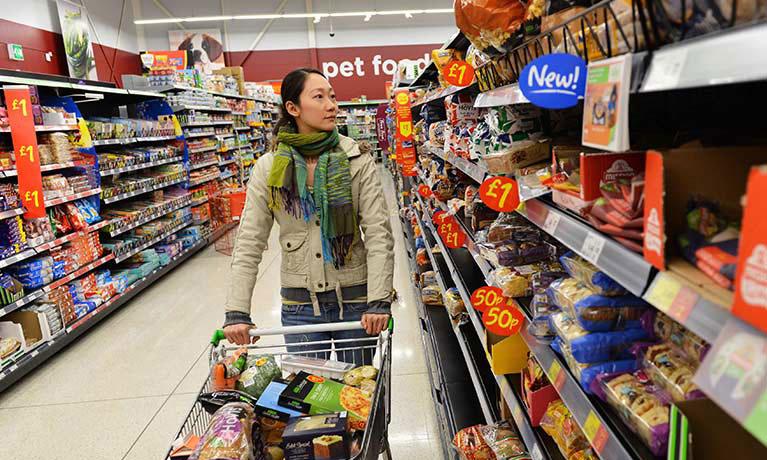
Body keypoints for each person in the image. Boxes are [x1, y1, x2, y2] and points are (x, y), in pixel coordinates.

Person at [223, 68, 394, 365]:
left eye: (332, 96)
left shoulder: (357, 159)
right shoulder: (269, 168)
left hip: (356, 301)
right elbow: (249, 241)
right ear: (293, 108)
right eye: (319, 97)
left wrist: (379, 300)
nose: (331, 105)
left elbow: (379, 234)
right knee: (307, 400)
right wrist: (237, 311)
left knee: (360, 397)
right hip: (299, 305)